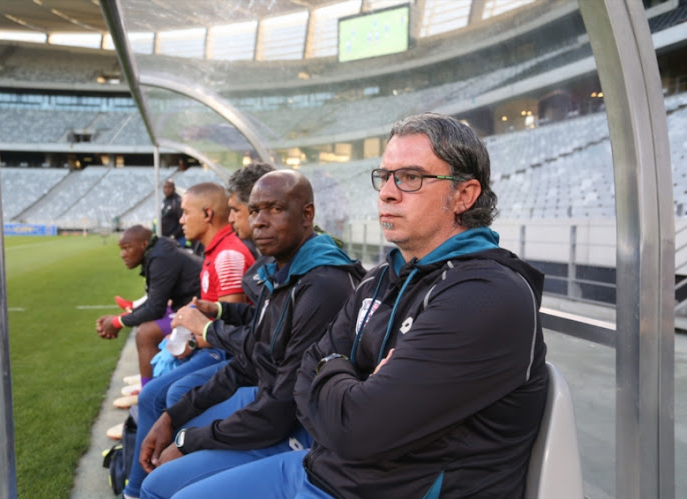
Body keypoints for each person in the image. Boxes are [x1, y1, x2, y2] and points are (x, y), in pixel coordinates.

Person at [161, 113, 549, 498]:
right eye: (385, 177)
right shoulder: (383, 276)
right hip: (322, 469)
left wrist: (332, 366)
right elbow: (302, 381)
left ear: (464, 195)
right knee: (164, 489)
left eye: (411, 178)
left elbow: (356, 427)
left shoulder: (487, 294)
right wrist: (348, 376)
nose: (387, 192)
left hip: (377, 488)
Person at [136, 170, 366, 499]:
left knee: (162, 488)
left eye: (274, 208)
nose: (259, 221)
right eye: (255, 210)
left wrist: (188, 440)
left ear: (307, 214)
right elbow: (249, 361)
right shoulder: (280, 271)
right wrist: (174, 418)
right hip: (272, 411)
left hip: (301, 435)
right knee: (159, 474)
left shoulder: (323, 286)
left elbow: (278, 410)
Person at [120, 180, 258, 499]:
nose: (180, 220)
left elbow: (234, 330)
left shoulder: (228, 257)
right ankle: (147, 478)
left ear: (208, 214)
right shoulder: (215, 252)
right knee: (159, 386)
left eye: (185, 213)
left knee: (159, 395)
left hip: (227, 355)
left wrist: (195, 342)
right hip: (220, 349)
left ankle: (141, 486)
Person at [95, 225, 203, 386]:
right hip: (189, 305)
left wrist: (117, 322)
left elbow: (154, 309)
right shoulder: (158, 250)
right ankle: (149, 382)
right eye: (121, 249)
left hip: (201, 310)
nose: (122, 255)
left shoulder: (161, 257)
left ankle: (148, 391)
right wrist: (124, 317)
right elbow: (155, 301)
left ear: (143, 245)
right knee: (152, 321)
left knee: (145, 332)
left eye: (127, 248)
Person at [161, 179, 185, 247]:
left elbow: (182, 220)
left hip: (177, 239)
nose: (167, 190)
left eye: (169, 187)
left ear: (174, 188)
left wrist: (174, 235)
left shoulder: (177, 201)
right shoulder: (165, 200)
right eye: (165, 187)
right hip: (166, 238)